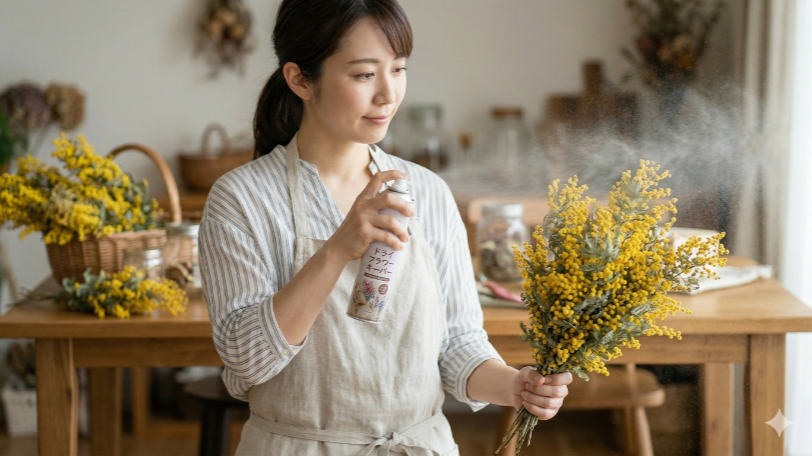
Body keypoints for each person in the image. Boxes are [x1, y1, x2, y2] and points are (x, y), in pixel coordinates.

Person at [198, 0, 572, 454]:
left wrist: (515, 386)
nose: (388, 94)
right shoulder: (242, 199)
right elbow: (247, 360)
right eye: (363, 75)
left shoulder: (428, 194)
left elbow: (458, 345)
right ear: (299, 79)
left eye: (398, 69)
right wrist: (336, 250)